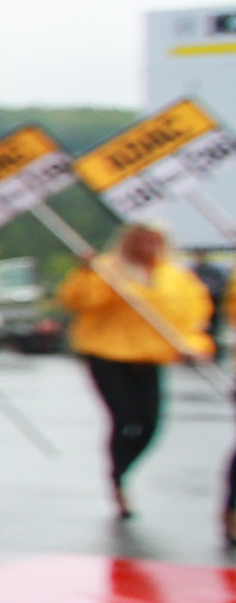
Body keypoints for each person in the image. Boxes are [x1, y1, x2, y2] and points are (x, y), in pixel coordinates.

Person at [60, 220, 217, 521]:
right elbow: (78, 301)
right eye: (140, 240)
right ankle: (118, 482)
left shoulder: (176, 277)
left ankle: (121, 471)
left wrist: (195, 345)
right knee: (125, 417)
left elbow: (193, 317)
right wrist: (86, 273)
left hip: (150, 358)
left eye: (152, 241)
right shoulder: (107, 269)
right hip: (108, 354)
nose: (146, 248)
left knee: (149, 423)